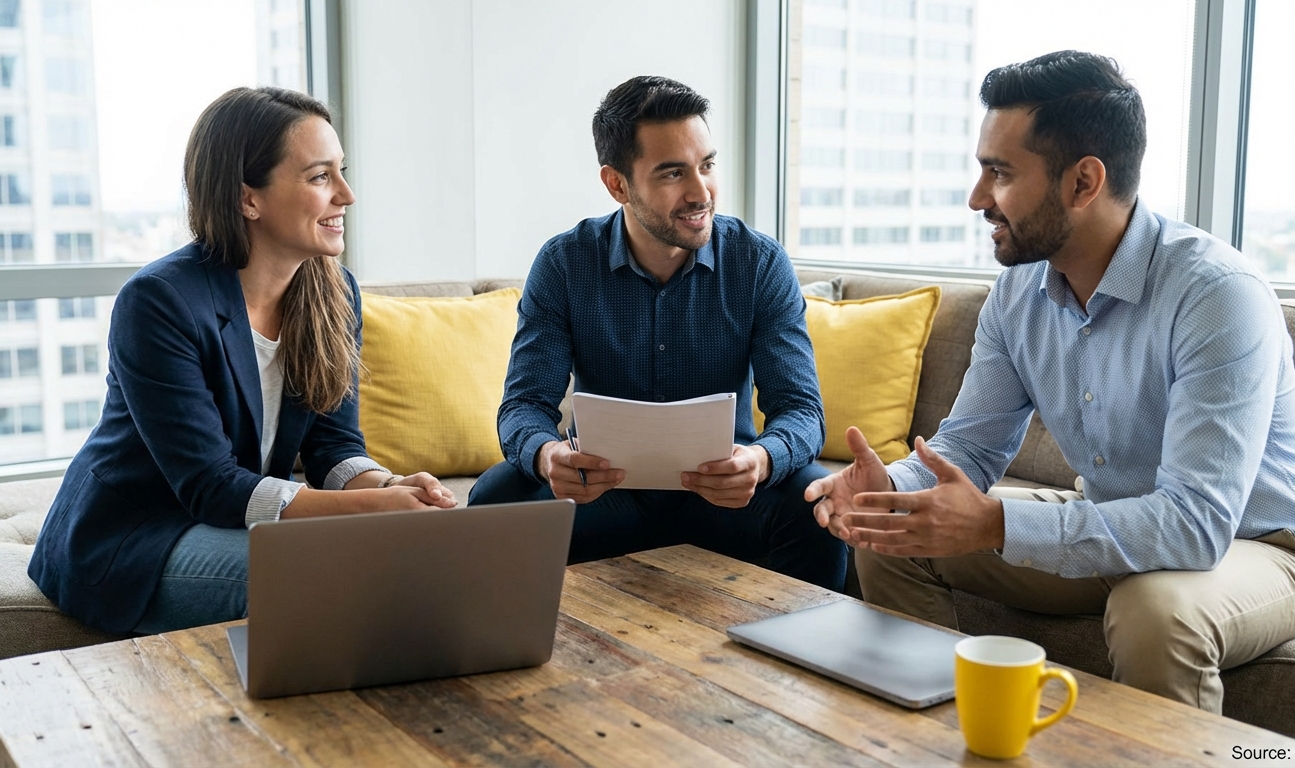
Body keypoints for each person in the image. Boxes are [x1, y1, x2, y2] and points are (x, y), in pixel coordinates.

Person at [806, 51, 1295, 712]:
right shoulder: (1016, 295)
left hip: (1262, 547)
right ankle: (941, 741)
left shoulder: (1216, 295)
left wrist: (996, 523)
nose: (978, 199)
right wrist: (888, 489)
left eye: (999, 174)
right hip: (1116, 522)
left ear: (1084, 181)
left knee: (1157, 611)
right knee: (894, 534)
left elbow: (1196, 526)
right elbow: (970, 452)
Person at [28, 87, 457, 636]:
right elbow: (211, 485)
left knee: (428, 552)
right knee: (328, 573)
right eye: (320, 177)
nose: (347, 195)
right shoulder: (159, 301)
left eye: (341, 172)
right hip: (137, 536)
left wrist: (391, 486)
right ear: (246, 199)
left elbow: (335, 448)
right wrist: (377, 510)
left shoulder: (334, 293)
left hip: (232, 519)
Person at [468, 76, 845, 591]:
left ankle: (802, 662)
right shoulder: (563, 263)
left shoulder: (759, 263)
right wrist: (547, 454)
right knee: (495, 498)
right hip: (605, 494)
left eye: (707, 165)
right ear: (617, 184)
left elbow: (802, 410)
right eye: (673, 173)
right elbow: (523, 406)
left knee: (815, 503)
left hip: (723, 495)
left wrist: (759, 460)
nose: (700, 192)